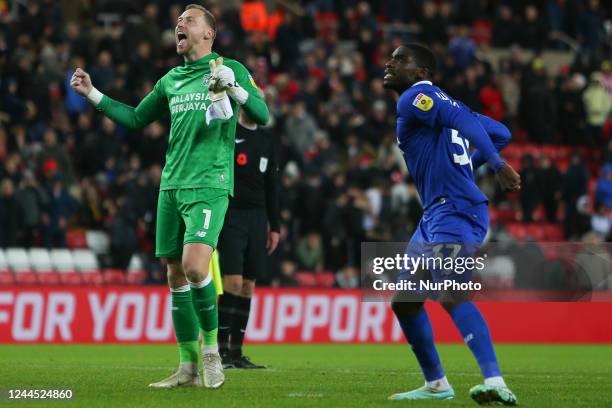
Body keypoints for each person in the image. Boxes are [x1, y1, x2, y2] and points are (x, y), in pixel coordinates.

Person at [70, 4, 269, 389]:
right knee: (175, 274)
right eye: (178, 20)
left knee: (196, 267)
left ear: (209, 33)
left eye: (189, 20)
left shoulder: (230, 68)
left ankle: (212, 352)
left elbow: (261, 114)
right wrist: (92, 92)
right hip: (171, 185)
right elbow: (135, 119)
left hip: (210, 184)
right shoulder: (171, 80)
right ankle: (186, 366)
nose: (179, 24)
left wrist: (235, 87)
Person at [382, 44, 520, 404]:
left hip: (455, 211)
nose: (389, 63)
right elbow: (501, 131)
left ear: (421, 72)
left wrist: (493, 164)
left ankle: (496, 381)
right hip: (436, 214)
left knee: (452, 291)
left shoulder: (416, 96)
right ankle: (437, 384)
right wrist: (466, 170)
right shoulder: (443, 105)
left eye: (400, 59)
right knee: (405, 301)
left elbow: (483, 134)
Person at [217, 108, 280, 369]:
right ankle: (219, 352)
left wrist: (274, 226)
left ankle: (236, 352)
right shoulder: (228, 132)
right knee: (231, 282)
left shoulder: (267, 140)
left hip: (257, 217)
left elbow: (273, 186)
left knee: (247, 286)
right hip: (231, 214)